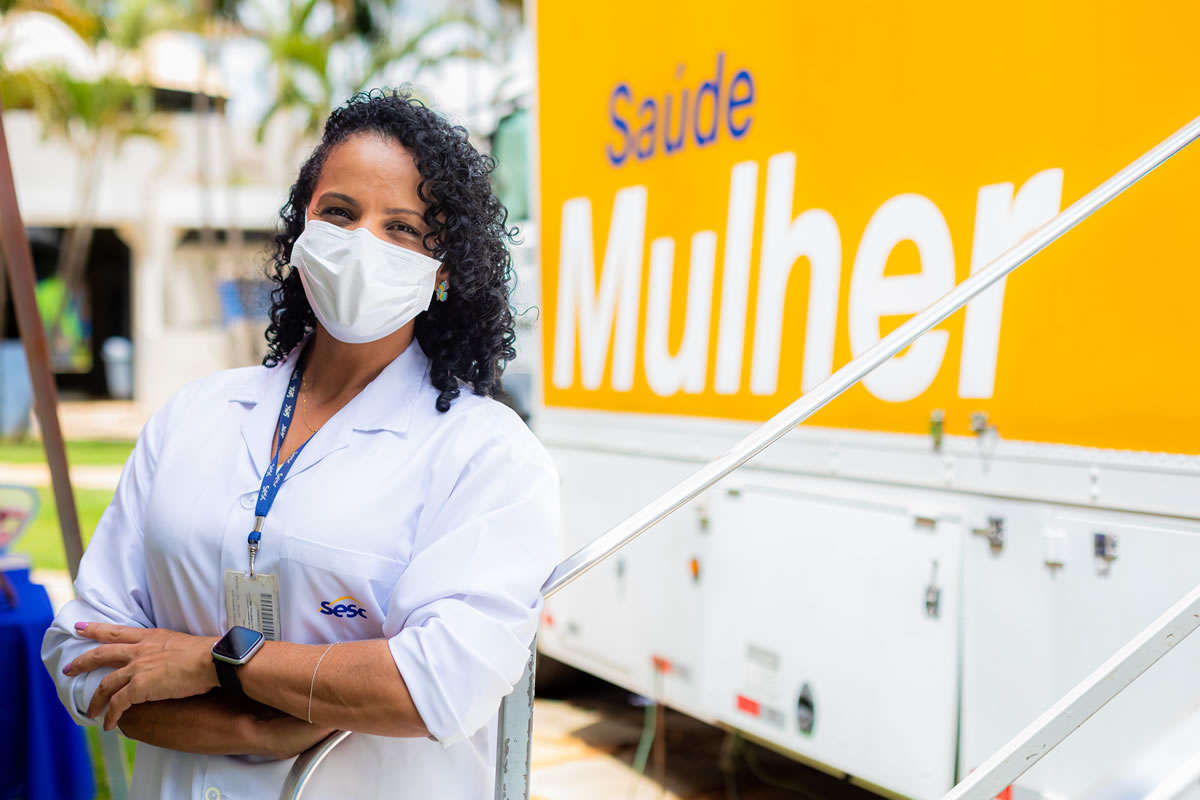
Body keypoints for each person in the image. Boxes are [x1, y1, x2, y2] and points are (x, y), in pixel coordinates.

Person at [41, 88, 560, 799]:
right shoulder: (195, 416)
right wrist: (263, 727)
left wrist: (217, 662)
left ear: (443, 273)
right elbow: (86, 658)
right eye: (340, 214)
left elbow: (437, 685)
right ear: (302, 230)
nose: (362, 244)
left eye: (403, 228)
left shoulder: (487, 454)